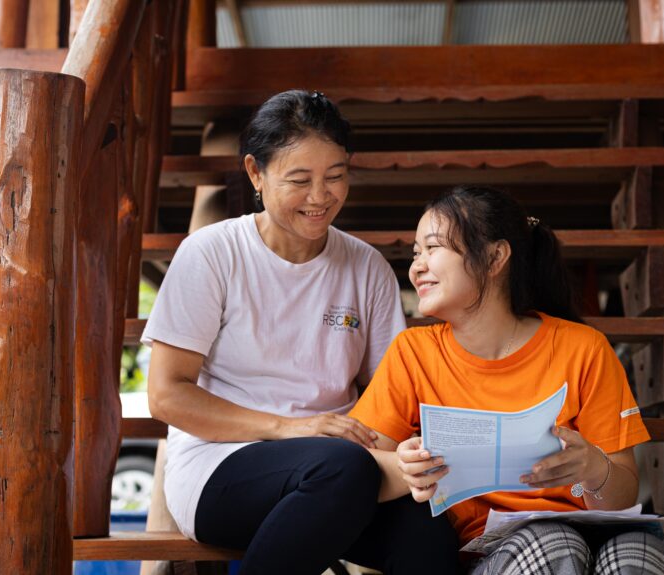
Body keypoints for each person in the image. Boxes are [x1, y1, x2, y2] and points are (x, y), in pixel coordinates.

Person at [142, 90, 462, 575]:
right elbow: (167, 396)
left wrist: (408, 456)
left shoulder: (366, 266)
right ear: (255, 173)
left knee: (430, 527)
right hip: (221, 467)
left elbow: (386, 395)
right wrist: (294, 428)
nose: (320, 197)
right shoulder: (211, 254)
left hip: (343, 471)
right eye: (299, 179)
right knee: (342, 469)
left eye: (335, 176)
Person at [350, 186, 664, 574]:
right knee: (554, 545)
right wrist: (403, 464)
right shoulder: (413, 352)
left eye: (432, 248)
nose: (417, 267)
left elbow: (623, 497)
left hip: (596, 534)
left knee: (638, 555)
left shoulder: (584, 348)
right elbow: (359, 468)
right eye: (415, 253)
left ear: (495, 257)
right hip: (491, 552)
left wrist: (594, 467)